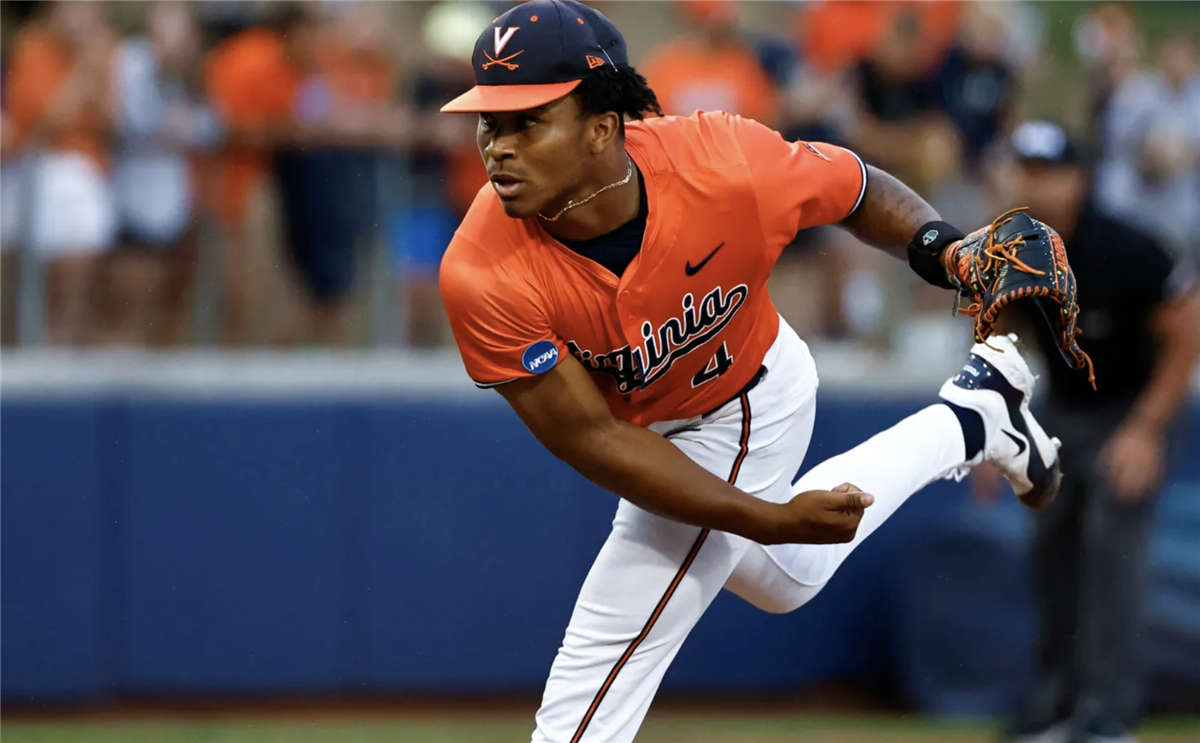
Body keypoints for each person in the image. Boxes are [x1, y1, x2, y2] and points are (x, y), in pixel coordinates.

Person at [436, 3, 1065, 741]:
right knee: (788, 575)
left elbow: (854, 188)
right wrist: (766, 522)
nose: (496, 149)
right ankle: (974, 417)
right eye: (489, 123)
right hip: (644, 430)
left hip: (743, 395)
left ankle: (972, 418)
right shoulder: (480, 270)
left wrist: (946, 250)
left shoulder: (719, 161)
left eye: (526, 122)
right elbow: (598, 440)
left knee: (599, 667)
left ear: (601, 128)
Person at [979, 121, 1200, 743]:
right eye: (1024, 171)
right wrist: (993, 434)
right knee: (1050, 548)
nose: (1034, 186)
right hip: (1066, 408)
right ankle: (1058, 701)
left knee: (1111, 545)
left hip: (1132, 405)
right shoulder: (1011, 252)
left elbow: (1186, 333)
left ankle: (1108, 712)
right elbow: (1003, 343)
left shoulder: (1126, 247)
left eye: (1047, 172)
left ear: (1079, 179)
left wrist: (1147, 431)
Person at [104, 0, 221, 346]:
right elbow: (130, 121)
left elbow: (213, 125)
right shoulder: (130, 59)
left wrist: (179, 126)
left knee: (170, 308)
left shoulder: (192, 70)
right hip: (132, 202)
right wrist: (176, 127)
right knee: (126, 308)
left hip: (177, 205)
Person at [3, 0, 118, 345]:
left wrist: (93, 64)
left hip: (90, 174)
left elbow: (111, 120)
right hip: (40, 172)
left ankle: (62, 353)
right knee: (30, 289)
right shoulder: (33, 48)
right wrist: (83, 67)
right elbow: (45, 120)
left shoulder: (105, 51)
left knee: (81, 283)